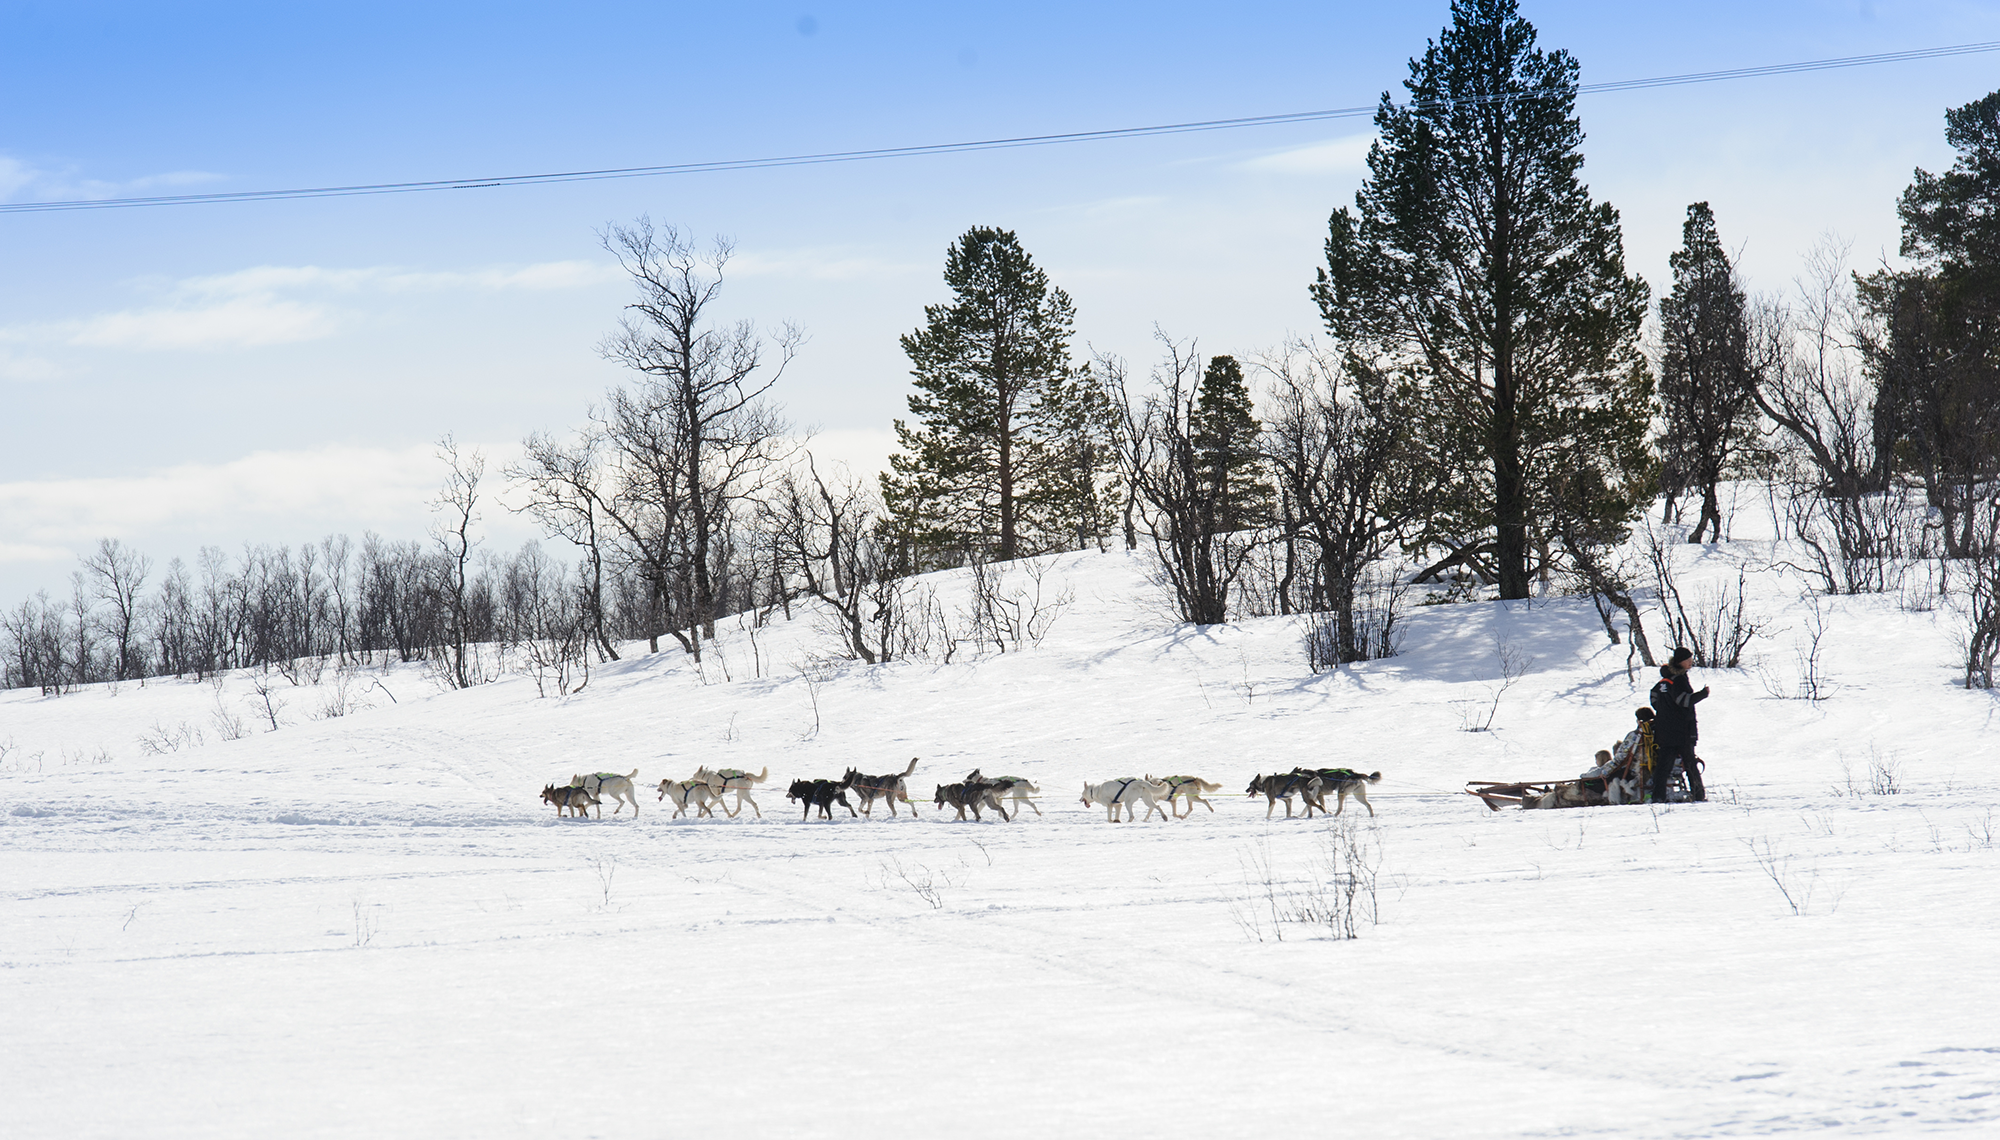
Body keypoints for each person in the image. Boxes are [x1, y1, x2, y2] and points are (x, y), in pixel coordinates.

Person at [1649, 648, 1709, 802]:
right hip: (1681, 731)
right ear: (1680, 662)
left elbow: (1654, 697)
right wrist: (1702, 694)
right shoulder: (1679, 679)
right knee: (1689, 764)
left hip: (1664, 731)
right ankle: (1698, 795)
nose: (1691, 662)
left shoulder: (1664, 680)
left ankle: (1658, 797)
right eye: (1688, 659)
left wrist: (1664, 712)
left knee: (1663, 767)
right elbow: (1683, 701)